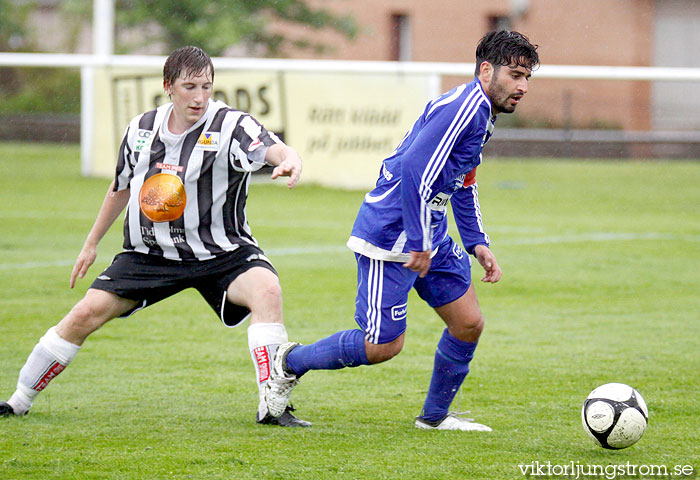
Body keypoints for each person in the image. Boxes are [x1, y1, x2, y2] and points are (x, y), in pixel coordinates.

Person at [1, 46, 310, 427]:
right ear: (168, 87)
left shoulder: (231, 124)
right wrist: (92, 242)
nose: (199, 97)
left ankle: (272, 407)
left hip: (223, 251)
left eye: (206, 87)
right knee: (85, 313)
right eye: (189, 87)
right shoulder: (142, 128)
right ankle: (18, 400)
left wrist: (290, 159)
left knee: (267, 291)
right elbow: (121, 187)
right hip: (150, 253)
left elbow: (271, 147)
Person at [265, 30, 539, 430]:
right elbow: (414, 168)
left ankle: (434, 418)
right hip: (391, 236)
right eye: (515, 75)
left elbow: (464, 178)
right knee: (383, 346)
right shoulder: (464, 108)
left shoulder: (482, 112)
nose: (523, 86)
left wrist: (476, 241)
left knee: (468, 323)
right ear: (485, 69)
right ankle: (289, 362)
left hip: (429, 234)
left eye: (527, 77)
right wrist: (418, 241)